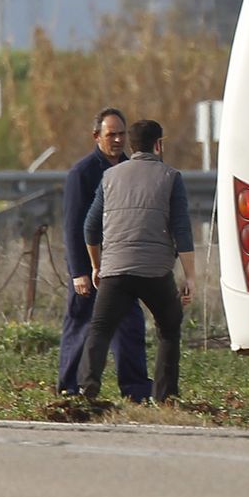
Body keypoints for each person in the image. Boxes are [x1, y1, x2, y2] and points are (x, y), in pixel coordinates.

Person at [79, 119, 195, 405]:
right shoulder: (170, 177)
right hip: (155, 271)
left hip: (115, 269)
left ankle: (87, 387)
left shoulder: (110, 177)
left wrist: (96, 266)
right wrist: (189, 277)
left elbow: (90, 227)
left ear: (131, 145)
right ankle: (165, 396)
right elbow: (182, 230)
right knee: (169, 326)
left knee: (100, 328)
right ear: (159, 144)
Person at [58, 107, 153, 402]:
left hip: (121, 265)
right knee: (82, 326)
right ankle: (69, 387)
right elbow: (74, 225)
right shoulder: (82, 173)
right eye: (111, 134)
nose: (117, 140)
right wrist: (79, 272)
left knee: (130, 326)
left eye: (122, 134)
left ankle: (135, 390)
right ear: (96, 136)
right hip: (89, 268)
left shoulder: (130, 169)